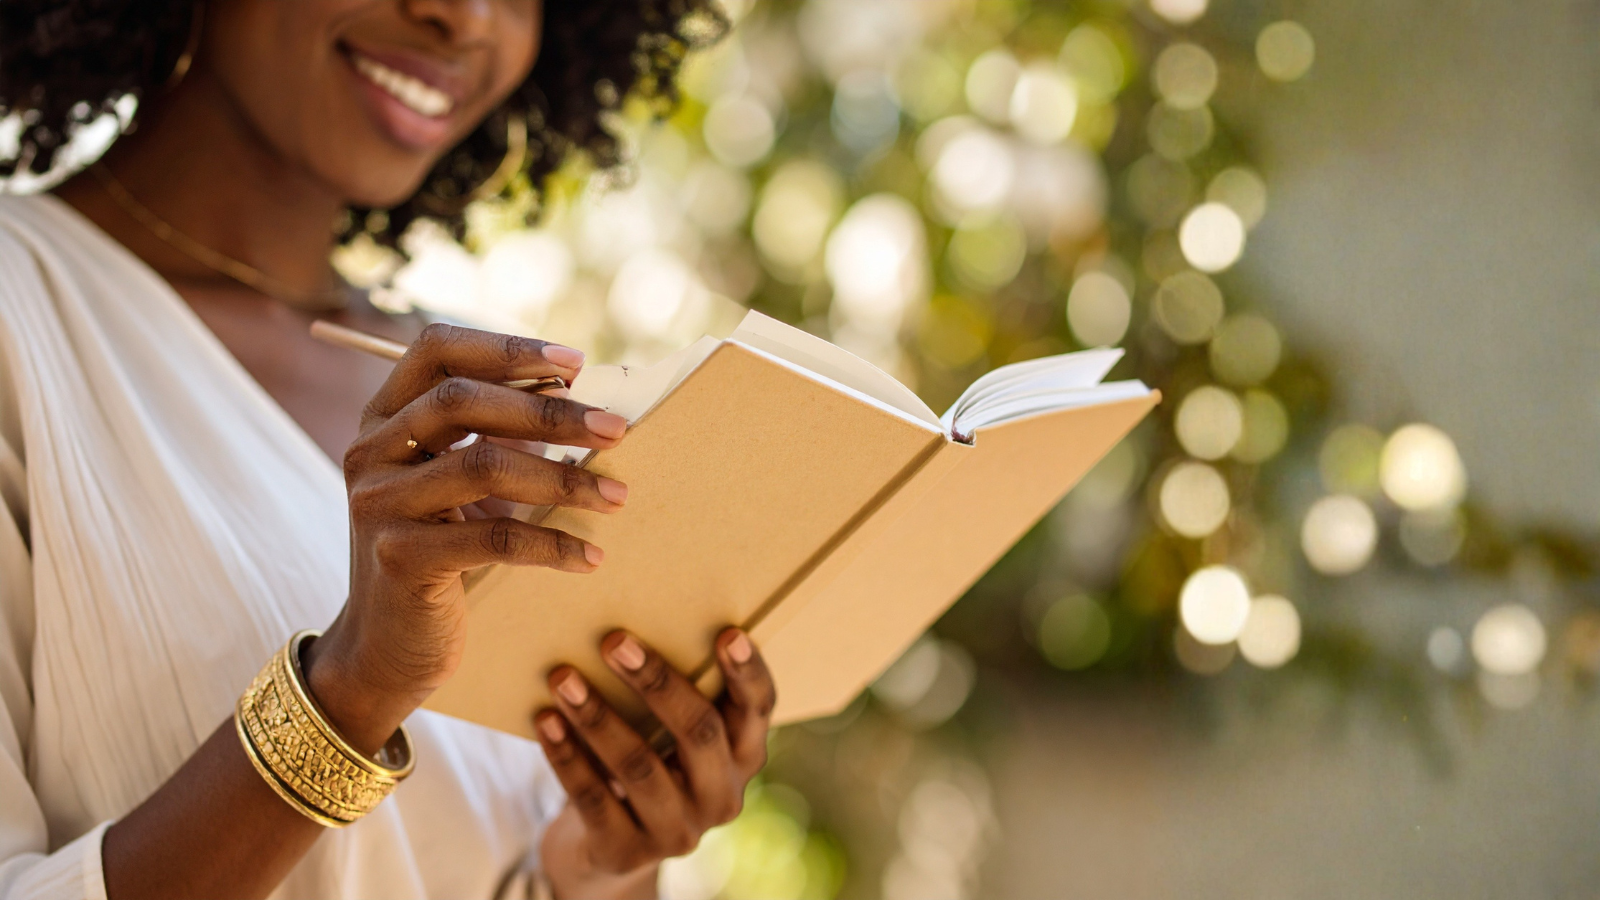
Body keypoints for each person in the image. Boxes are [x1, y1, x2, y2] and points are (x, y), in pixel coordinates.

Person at [0, 2, 776, 898]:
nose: (465, 17)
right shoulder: (23, 315)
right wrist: (353, 691)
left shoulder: (486, 401)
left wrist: (604, 858)